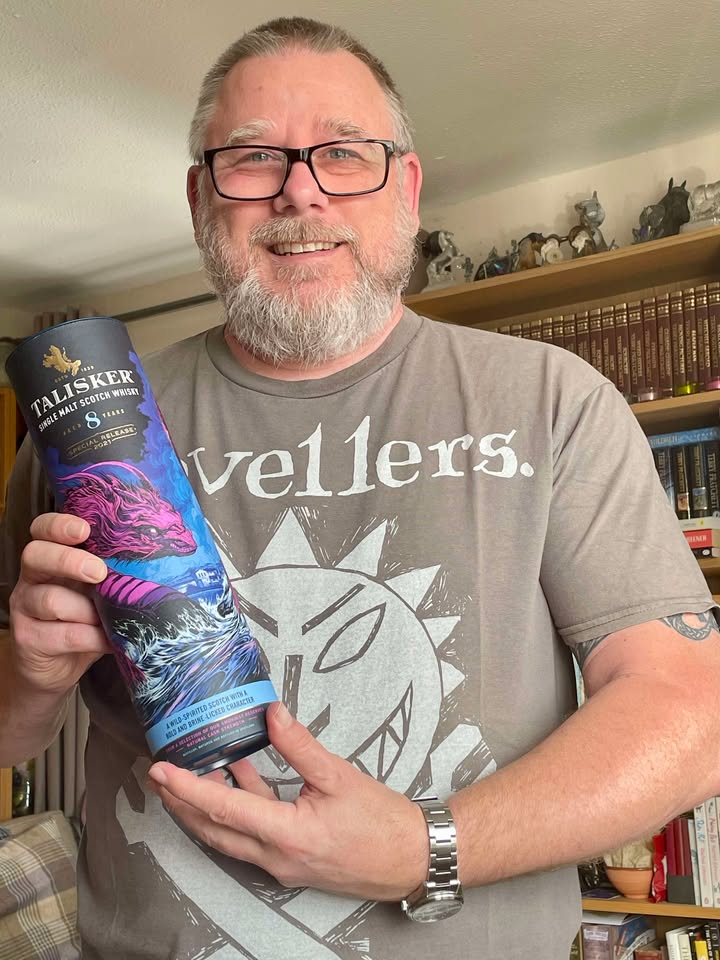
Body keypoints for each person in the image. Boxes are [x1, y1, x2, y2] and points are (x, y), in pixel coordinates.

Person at [2, 16, 720, 960]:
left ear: (407, 188)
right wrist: (29, 673)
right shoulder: (83, 432)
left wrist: (426, 850)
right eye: (253, 157)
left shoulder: (551, 400)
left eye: (343, 153)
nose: (300, 191)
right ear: (201, 198)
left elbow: (692, 710)